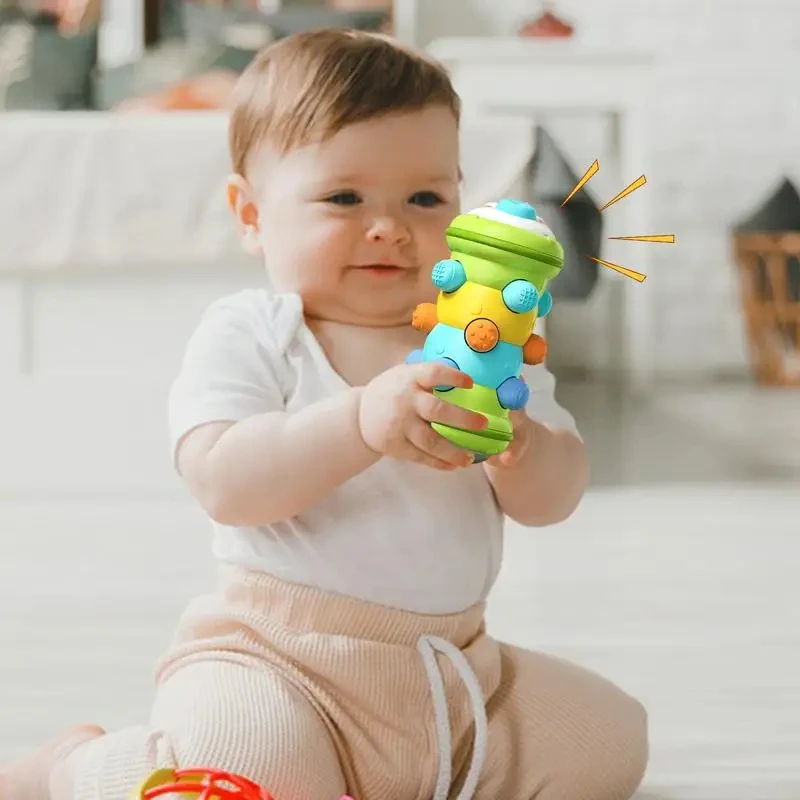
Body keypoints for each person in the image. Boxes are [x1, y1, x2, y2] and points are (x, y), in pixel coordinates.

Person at [0, 29, 648, 800]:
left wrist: (523, 450)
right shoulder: (257, 333)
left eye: (426, 198)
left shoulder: (482, 347)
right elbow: (225, 481)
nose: (389, 226)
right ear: (250, 213)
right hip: (274, 664)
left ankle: (386, 777)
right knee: (247, 766)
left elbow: (554, 500)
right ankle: (76, 768)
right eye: (344, 198)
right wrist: (359, 421)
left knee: (609, 739)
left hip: (451, 667)